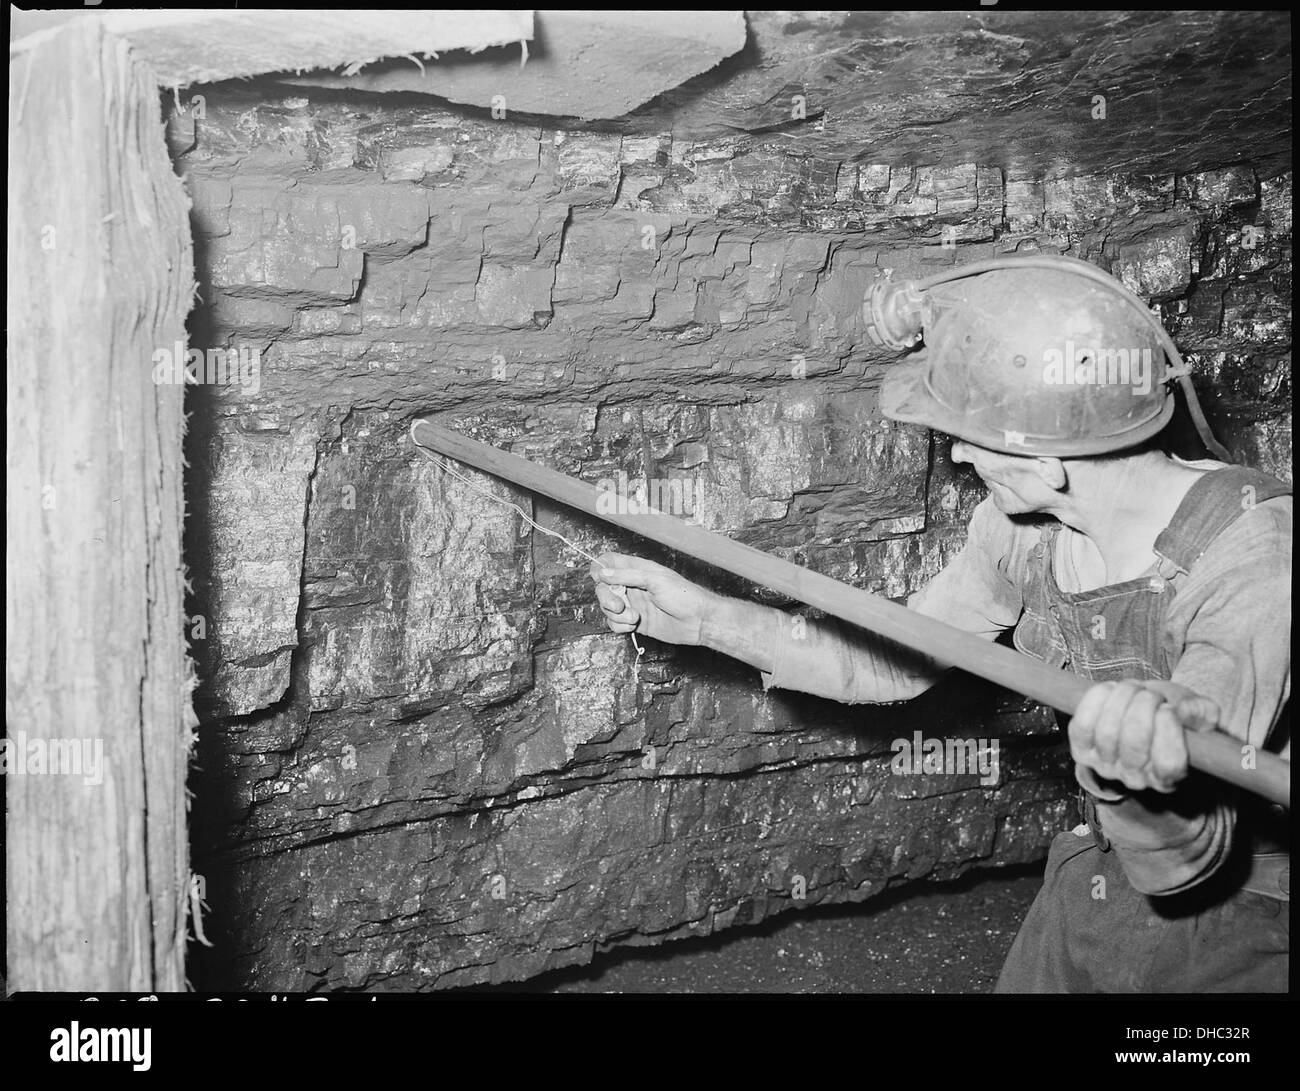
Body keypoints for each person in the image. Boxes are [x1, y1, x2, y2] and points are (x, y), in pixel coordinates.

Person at [589, 266, 1290, 992]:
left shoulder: (1254, 561)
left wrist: (1135, 771)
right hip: (1100, 872)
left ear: (1047, 464)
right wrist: (704, 617)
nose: (956, 455)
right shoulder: (1026, 532)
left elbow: (1187, 859)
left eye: (967, 438)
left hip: (1247, 912)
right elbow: (890, 658)